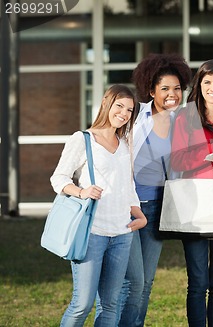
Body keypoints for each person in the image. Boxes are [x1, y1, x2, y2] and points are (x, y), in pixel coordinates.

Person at [50, 84, 147, 326]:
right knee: (82, 304)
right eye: (120, 106)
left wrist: (139, 214)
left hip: (122, 233)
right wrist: (82, 191)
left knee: (111, 304)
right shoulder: (83, 139)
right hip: (92, 232)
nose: (124, 114)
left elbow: (128, 186)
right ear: (106, 103)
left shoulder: (124, 144)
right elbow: (58, 178)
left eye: (129, 110)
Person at [118, 53, 192, 326]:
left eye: (177, 88)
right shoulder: (135, 115)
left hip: (160, 209)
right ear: (151, 91)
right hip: (129, 208)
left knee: (145, 281)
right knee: (130, 281)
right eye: (164, 89)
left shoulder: (184, 121)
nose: (172, 94)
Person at [170, 59, 213, 327]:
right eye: (207, 82)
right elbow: (177, 160)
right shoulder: (185, 118)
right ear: (199, 86)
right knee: (198, 282)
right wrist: (212, 152)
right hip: (196, 207)